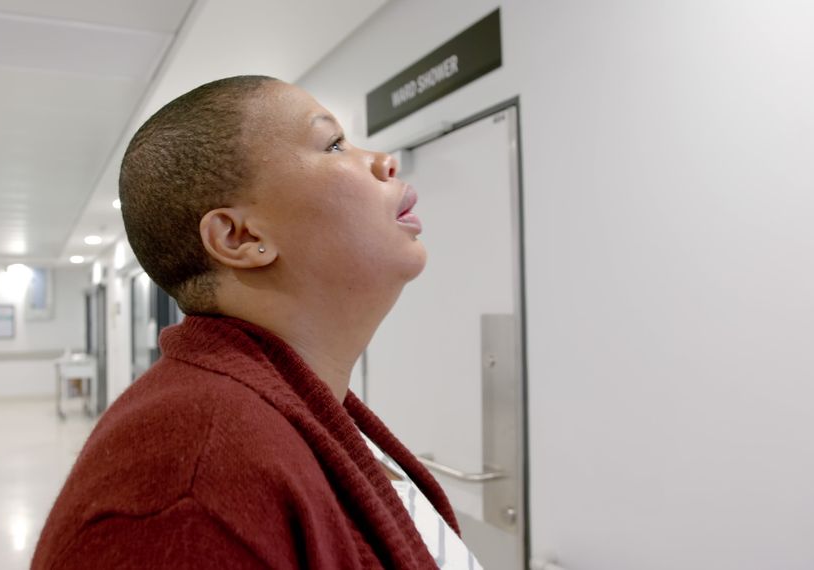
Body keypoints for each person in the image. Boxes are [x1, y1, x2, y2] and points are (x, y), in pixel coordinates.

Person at [32, 76, 480, 569]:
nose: (384, 161)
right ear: (240, 237)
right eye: (333, 145)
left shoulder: (293, 408)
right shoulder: (189, 491)